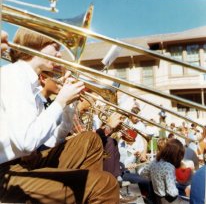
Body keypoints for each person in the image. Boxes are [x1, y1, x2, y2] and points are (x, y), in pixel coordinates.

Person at [0, 27, 119, 203]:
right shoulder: (14, 75)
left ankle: (85, 194)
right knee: (105, 184)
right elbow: (26, 143)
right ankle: (93, 191)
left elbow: (49, 142)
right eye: (55, 46)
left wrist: (68, 107)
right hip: (6, 174)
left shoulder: (30, 83)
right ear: (35, 44)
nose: (59, 54)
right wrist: (60, 101)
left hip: (26, 162)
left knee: (90, 140)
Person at [140, 139, 188, 204]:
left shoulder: (155, 161)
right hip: (167, 200)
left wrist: (155, 180)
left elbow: (143, 173)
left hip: (156, 197)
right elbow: (172, 192)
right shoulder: (169, 167)